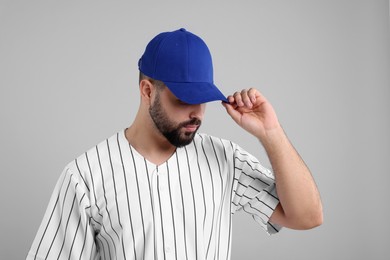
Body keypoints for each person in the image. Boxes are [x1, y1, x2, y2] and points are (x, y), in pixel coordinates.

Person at [27, 28, 322, 260]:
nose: (196, 113)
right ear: (147, 91)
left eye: (202, 99)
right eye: (183, 99)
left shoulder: (225, 160)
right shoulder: (85, 176)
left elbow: (307, 216)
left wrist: (270, 133)